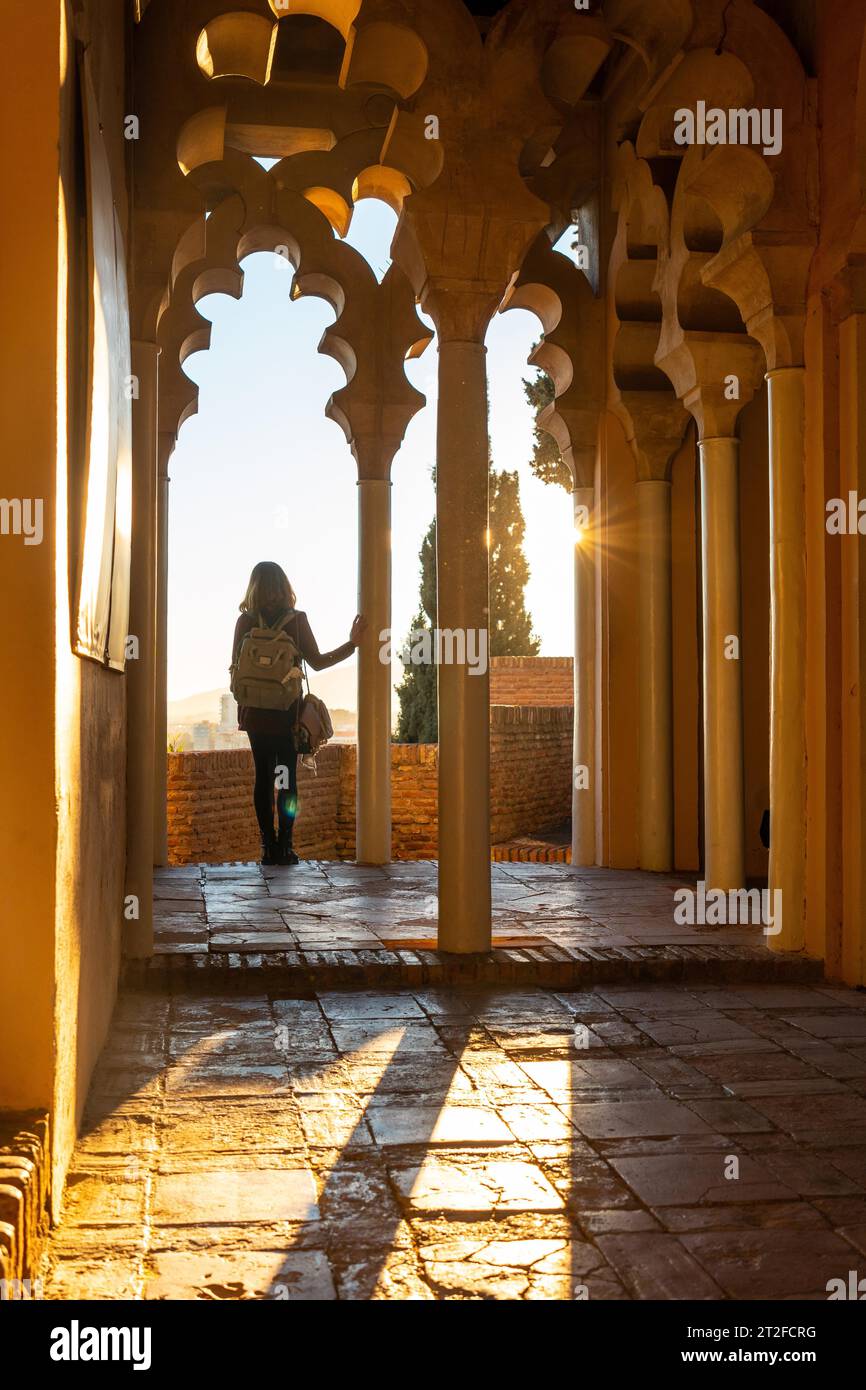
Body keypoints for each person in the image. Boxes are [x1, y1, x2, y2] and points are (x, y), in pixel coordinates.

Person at [232, 561, 365, 866]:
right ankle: (285, 846)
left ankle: (267, 847)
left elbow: (235, 669)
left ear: (253, 587)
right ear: (284, 586)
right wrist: (352, 644)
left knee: (263, 778)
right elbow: (317, 662)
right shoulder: (296, 621)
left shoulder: (245, 622)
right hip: (286, 715)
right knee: (287, 778)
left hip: (254, 714)